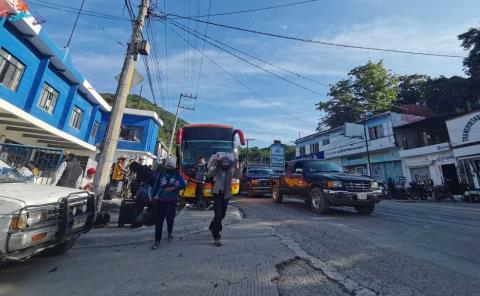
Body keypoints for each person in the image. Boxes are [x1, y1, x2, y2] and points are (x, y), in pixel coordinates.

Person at [150, 157, 186, 250]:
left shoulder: (177, 175)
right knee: (159, 222)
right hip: (160, 200)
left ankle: (170, 233)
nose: (169, 168)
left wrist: (173, 188)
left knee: (170, 220)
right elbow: (156, 186)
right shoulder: (161, 175)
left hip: (172, 201)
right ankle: (157, 241)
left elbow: (183, 184)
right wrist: (152, 196)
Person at [207, 153, 240, 246]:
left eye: (227, 164)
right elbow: (210, 173)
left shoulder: (231, 169)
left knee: (223, 215)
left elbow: (237, 176)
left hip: (226, 194)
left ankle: (212, 226)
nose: (225, 166)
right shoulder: (217, 169)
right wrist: (214, 164)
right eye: (223, 164)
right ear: (221, 163)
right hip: (217, 193)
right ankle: (216, 236)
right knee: (218, 214)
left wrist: (237, 165)